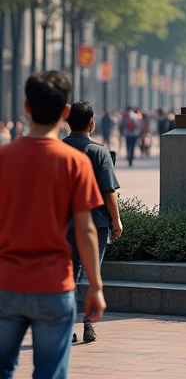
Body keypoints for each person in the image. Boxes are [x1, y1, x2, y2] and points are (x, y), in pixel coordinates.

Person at [0, 71, 106, 379]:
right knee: (49, 373)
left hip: (7, 283)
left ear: (26, 108)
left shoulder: (4, 158)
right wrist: (96, 287)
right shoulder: (76, 163)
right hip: (53, 286)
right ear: (64, 113)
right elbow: (86, 230)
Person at [63, 101, 123, 345]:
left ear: (68, 123)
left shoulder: (56, 150)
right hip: (94, 222)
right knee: (90, 272)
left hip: (62, 223)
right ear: (92, 123)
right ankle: (89, 323)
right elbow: (109, 191)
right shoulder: (99, 152)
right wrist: (117, 220)